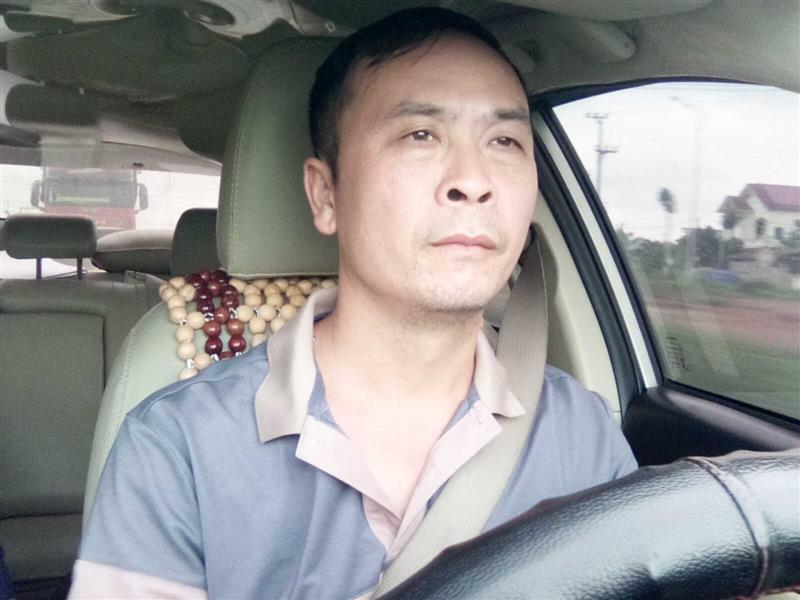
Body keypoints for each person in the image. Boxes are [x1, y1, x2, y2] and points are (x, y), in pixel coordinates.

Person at [69, 7, 637, 599]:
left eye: (505, 140)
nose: (474, 180)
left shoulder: (582, 432)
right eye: (421, 135)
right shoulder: (177, 448)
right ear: (325, 195)